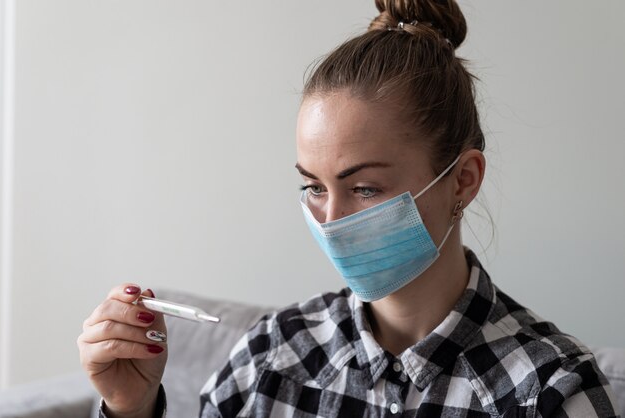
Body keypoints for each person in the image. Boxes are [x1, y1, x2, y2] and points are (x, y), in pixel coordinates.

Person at [77, 0, 620, 417]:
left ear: (463, 179)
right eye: (314, 187)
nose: (331, 221)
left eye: (364, 189)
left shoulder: (551, 390)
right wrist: (134, 409)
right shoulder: (271, 354)